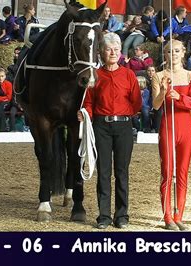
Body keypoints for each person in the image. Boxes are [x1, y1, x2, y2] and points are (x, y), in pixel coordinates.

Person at [79, 33, 142, 230]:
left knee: (122, 172)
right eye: (109, 49)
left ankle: (122, 215)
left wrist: (124, 114)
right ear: (101, 52)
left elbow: (136, 101)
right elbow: (88, 101)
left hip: (123, 126)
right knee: (104, 172)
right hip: (101, 127)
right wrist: (85, 113)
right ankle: (104, 216)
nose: (113, 52)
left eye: (116, 49)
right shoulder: (95, 75)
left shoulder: (129, 74)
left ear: (120, 52)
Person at [151, 39, 191, 231]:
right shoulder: (159, 75)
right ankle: (167, 216)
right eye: (169, 51)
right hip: (168, 126)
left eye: (177, 51)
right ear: (165, 55)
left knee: (182, 172)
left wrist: (180, 97)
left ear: (183, 53)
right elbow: (156, 105)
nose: (173, 54)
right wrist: (163, 91)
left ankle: (179, 214)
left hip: (186, 128)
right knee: (167, 171)